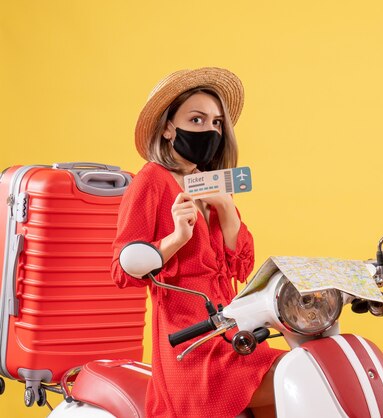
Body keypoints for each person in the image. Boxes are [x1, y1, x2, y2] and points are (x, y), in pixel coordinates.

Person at [111, 67, 283, 418]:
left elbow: (240, 267)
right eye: (197, 119)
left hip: (232, 327)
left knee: (302, 372)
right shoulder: (151, 182)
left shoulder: (207, 182)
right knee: (289, 380)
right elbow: (122, 270)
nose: (209, 130)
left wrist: (225, 207)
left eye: (217, 123)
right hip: (188, 340)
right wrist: (176, 239)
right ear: (168, 127)